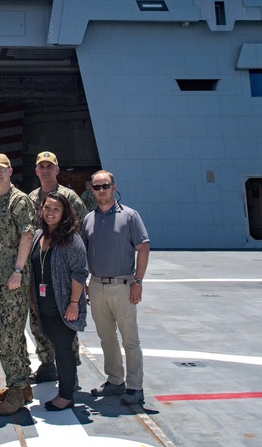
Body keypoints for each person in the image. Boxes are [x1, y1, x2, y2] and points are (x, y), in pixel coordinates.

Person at [82, 170, 151, 406]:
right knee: (106, 338)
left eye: (105, 186)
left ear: (114, 187)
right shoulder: (88, 219)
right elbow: (84, 252)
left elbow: (143, 248)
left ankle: (135, 387)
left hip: (123, 285)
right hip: (97, 285)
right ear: (92, 190)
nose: (101, 190)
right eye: (97, 186)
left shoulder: (130, 216)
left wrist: (138, 282)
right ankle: (115, 381)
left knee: (130, 339)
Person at [26, 151, 87, 383]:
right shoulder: (31, 198)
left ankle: (70, 368)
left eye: (50, 166)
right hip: (39, 266)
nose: (45, 170)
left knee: (64, 321)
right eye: (41, 166)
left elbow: (82, 232)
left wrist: (80, 270)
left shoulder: (69, 197)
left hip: (62, 268)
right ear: (36, 171)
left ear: (57, 170)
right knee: (38, 319)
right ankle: (47, 363)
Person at [0, 153, 35, 416]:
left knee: (9, 333)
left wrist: (17, 271)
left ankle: (16, 388)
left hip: (12, 280)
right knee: (7, 331)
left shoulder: (18, 200)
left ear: (10, 171)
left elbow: (27, 235)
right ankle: (22, 385)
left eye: (0, 170)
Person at [30, 191, 88, 411]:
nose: (50, 212)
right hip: (44, 304)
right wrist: (33, 299)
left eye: (56, 209)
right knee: (56, 347)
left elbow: (79, 273)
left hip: (63, 305)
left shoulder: (71, 239)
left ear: (64, 213)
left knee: (64, 350)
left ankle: (66, 396)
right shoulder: (38, 236)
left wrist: (74, 303)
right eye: (47, 208)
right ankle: (64, 389)